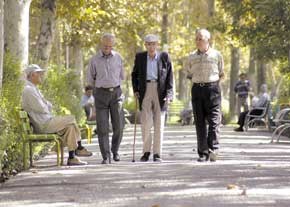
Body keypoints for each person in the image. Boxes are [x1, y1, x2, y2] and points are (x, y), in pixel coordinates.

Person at [21, 64, 92, 166]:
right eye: (39, 74)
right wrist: (46, 105)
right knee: (71, 118)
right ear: (32, 75)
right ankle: (79, 148)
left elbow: (48, 106)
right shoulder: (29, 90)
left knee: (70, 127)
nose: (41, 76)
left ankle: (72, 158)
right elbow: (43, 108)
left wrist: (46, 105)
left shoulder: (33, 89)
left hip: (47, 121)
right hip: (43, 124)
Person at [131, 34, 173, 162]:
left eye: (153, 44)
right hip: (145, 90)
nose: (151, 46)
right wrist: (136, 90)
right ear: (145, 45)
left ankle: (157, 154)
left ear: (157, 45)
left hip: (160, 91)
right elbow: (134, 74)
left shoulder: (164, 57)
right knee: (146, 123)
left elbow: (170, 76)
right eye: (149, 44)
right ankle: (146, 152)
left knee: (159, 123)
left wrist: (169, 94)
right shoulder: (140, 57)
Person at [186, 29, 224, 162]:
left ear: (208, 40)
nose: (198, 41)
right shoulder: (191, 56)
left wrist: (212, 84)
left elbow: (221, 73)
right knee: (199, 122)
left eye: (200, 38)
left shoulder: (216, 55)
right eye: (196, 38)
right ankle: (203, 152)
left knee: (214, 121)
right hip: (197, 89)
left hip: (212, 89)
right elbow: (189, 74)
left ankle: (213, 149)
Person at [87, 33, 124, 164]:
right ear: (101, 44)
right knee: (102, 127)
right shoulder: (94, 59)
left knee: (119, 125)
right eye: (105, 45)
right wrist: (92, 98)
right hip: (100, 94)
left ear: (113, 45)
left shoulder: (118, 57)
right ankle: (106, 156)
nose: (107, 48)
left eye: (110, 45)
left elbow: (122, 76)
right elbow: (90, 79)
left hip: (116, 94)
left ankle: (115, 151)